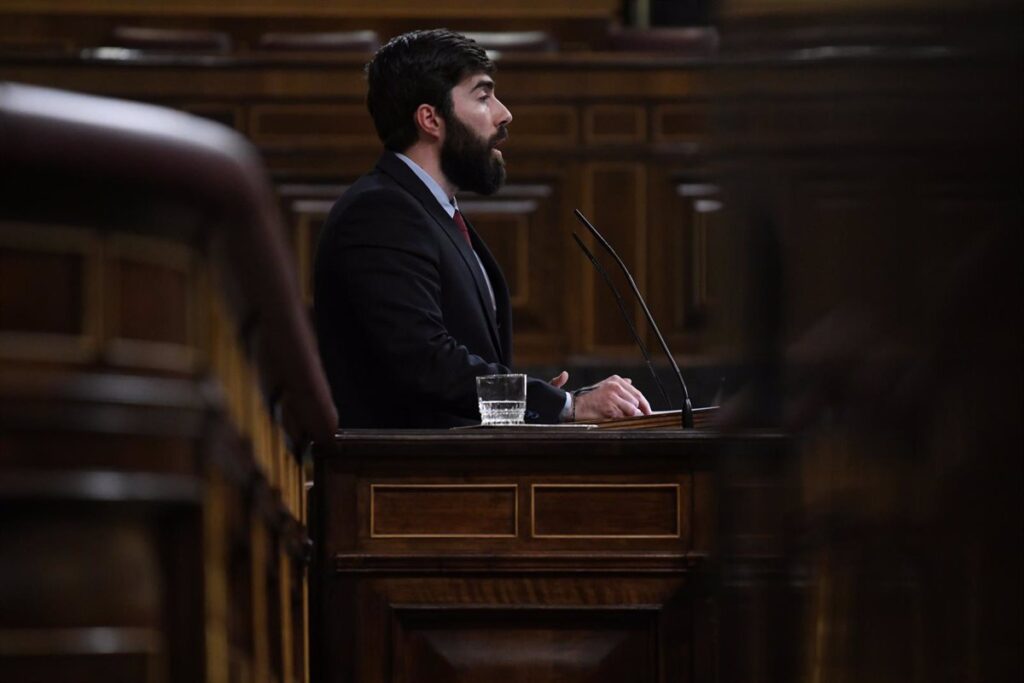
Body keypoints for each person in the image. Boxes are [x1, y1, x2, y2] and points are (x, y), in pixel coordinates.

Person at [314, 28, 651, 428]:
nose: (504, 113)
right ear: (431, 119)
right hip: (405, 480)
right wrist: (560, 405)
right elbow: (427, 368)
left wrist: (552, 404)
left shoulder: (428, 212)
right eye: (483, 96)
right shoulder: (380, 213)